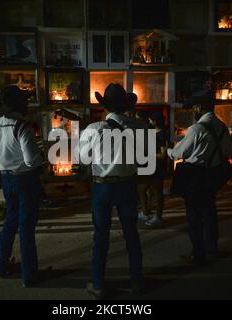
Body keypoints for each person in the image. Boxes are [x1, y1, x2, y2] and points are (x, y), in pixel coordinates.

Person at [78, 83, 145, 299]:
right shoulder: (140, 127)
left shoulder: (94, 129)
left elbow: (83, 158)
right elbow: (145, 158)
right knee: (131, 234)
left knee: (101, 236)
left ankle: (98, 284)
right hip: (127, 185)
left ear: (105, 106)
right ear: (126, 106)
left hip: (102, 187)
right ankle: (137, 282)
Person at [167, 89, 232, 264]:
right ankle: (212, 249)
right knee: (210, 212)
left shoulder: (196, 129)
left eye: (194, 107)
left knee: (194, 216)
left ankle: (198, 253)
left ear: (198, 107)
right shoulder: (222, 126)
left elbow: (179, 153)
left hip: (194, 176)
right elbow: (228, 151)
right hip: (212, 175)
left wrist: (168, 151)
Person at [0, 86, 43, 287]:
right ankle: (29, 275)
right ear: (19, 104)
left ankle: (2, 266)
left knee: (10, 221)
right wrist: (41, 159)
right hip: (25, 180)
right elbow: (31, 161)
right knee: (26, 227)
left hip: (6, 179)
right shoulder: (22, 126)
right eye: (25, 101)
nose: (27, 104)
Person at [144, 111, 168, 228]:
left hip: (158, 166)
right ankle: (149, 212)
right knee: (149, 189)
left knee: (158, 192)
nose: (149, 121)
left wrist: (150, 155)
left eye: (150, 119)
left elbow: (163, 154)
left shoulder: (162, 134)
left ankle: (158, 216)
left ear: (155, 121)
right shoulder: (152, 132)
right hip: (152, 165)